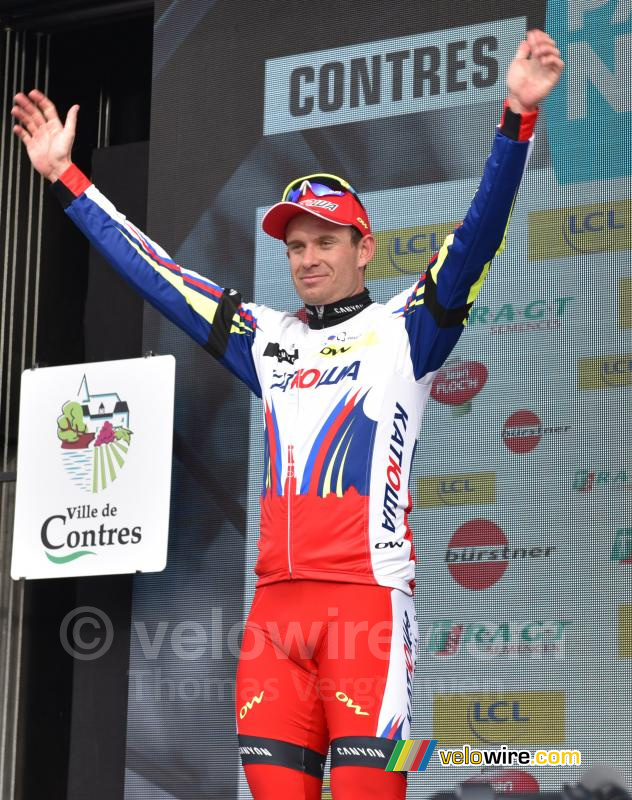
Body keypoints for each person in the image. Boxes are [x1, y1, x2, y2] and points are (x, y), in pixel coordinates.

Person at [12, 29, 563, 800]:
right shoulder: (266, 339)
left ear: (363, 247)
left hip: (367, 616)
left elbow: (476, 239)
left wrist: (515, 119)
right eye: (296, 243)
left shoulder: (408, 329)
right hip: (274, 624)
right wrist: (68, 178)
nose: (307, 257)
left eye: (325, 241)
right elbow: (160, 276)